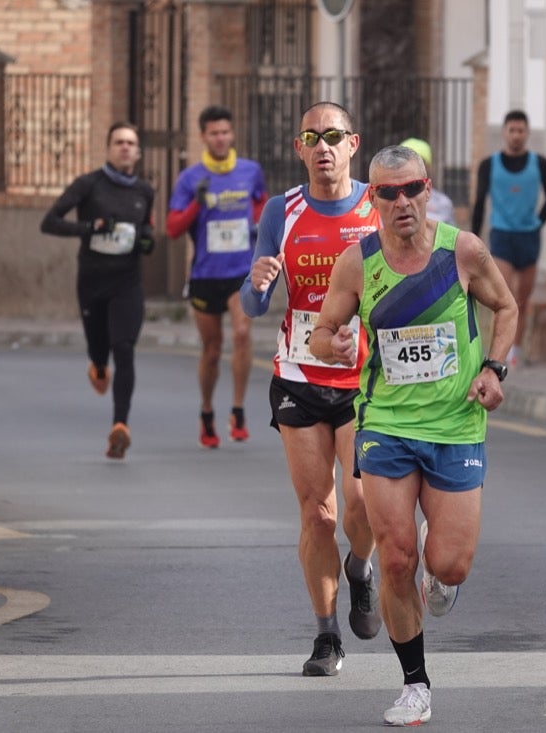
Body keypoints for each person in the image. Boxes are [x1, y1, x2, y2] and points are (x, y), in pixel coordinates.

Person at [309, 144, 518, 726]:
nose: (402, 202)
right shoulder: (357, 263)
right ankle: (415, 684)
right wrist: (336, 344)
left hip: (455, 424)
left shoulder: (463, 252)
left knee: (449, 565)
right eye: (387, 192)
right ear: (371, 198)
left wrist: (493, 369)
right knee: (397, 558)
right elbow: (322, 332)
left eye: (411, 189)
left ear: (428, 190)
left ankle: (440, 569)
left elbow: (506, 308)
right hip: (386, 425)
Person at [241, 101, 383, 677]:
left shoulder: (379, 204)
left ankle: (362, 569)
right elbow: (254, 303)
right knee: (316, 514)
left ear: (353, 143)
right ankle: (327, 636)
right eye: (311, 137)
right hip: (298, 375)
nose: (322, 146)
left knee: (363, 504)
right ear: (298, 149)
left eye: (333, 136)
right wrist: (257, 282)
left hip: (362, 380)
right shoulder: (282, 209)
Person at [40, 121, 155, 460]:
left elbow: (146, 229)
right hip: (92, 281)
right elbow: (50, 221)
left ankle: (120, 425)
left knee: (125, 348)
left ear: (137, 152)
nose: (124, 147)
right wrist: (89, 227)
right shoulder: (89, 185)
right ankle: (97, 365)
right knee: (100, 350)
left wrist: (148, 240)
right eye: (118, 141)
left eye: (130, 143)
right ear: (108, 148)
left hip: (127, 282)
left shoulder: (144, 191)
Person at [166, 106, 267, 449]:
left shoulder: (250, 171)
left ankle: (237, 410)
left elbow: (261, 205)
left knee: (241, 334)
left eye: (226, 132)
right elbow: (172, 228)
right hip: (206, 274)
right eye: (214, 133)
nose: (221, 138)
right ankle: (207, 411)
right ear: (203, 137)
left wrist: (257, 223)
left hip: (241, 271)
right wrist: (196, 204)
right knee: (212, 350)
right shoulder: (190, 178)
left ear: (232, 134)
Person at [470, 109, 546, 368]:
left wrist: (538, 222)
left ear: (527, 133)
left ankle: (517, 349)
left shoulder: (540, 164)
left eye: (521, 130)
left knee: (522, 298)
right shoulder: (489, 165)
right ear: (504, 133)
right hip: (502, 235)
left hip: (529, 236)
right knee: (504, 296)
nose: (516, 135)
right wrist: (474, 238)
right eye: (512, 130)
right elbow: (479, 202)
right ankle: (500, 351)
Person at [399, 137, 454, 225]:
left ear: (428, 167)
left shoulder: (443, 203)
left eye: (419, 162)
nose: (412, 168)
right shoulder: (387, 200)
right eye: (406, 162)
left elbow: (451, 235)